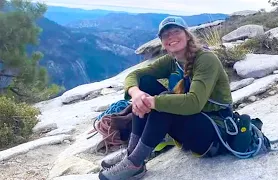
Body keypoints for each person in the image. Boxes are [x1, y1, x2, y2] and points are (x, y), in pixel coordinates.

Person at [99, 16, 233, 180]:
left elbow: (194, 103)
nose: (171, 37)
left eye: (176, 31)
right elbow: (135, 75)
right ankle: (132, 153)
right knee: (145, 83)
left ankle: (135, 163)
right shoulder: (173, 60)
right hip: (192, 125)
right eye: (166, 35)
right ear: (162, 42)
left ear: (187, 35)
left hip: (214, 135)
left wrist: (153, 102)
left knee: (163, 101)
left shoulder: (205, 59)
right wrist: (137, 94)